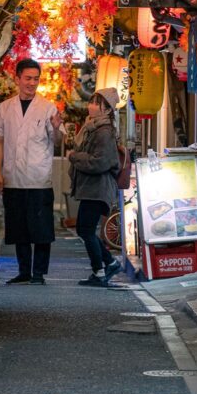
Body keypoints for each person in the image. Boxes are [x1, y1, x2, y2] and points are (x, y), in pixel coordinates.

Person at [0, 58, 63, 285]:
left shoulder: (48, 107)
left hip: (39, 177)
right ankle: (23, 271)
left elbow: (57, 140)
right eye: (28, 78)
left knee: (41, 228)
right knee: (18, 226)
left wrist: (57, 128)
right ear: (17, 78)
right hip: (13, 175)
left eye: (36, 79)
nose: (32, 83)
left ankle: (38, 273)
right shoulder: (5, 108)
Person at [68, 88, 122, 287]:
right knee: (85, 229)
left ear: (107, 109)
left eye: (96, 103)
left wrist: (74, 157)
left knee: (86, 230)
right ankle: (109, 263)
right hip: (91, 188)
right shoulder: (93, 128)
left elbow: (100, 162)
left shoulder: (104, 132)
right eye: (91, 101)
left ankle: (101, 270)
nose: (91, 106)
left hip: (98, 189)